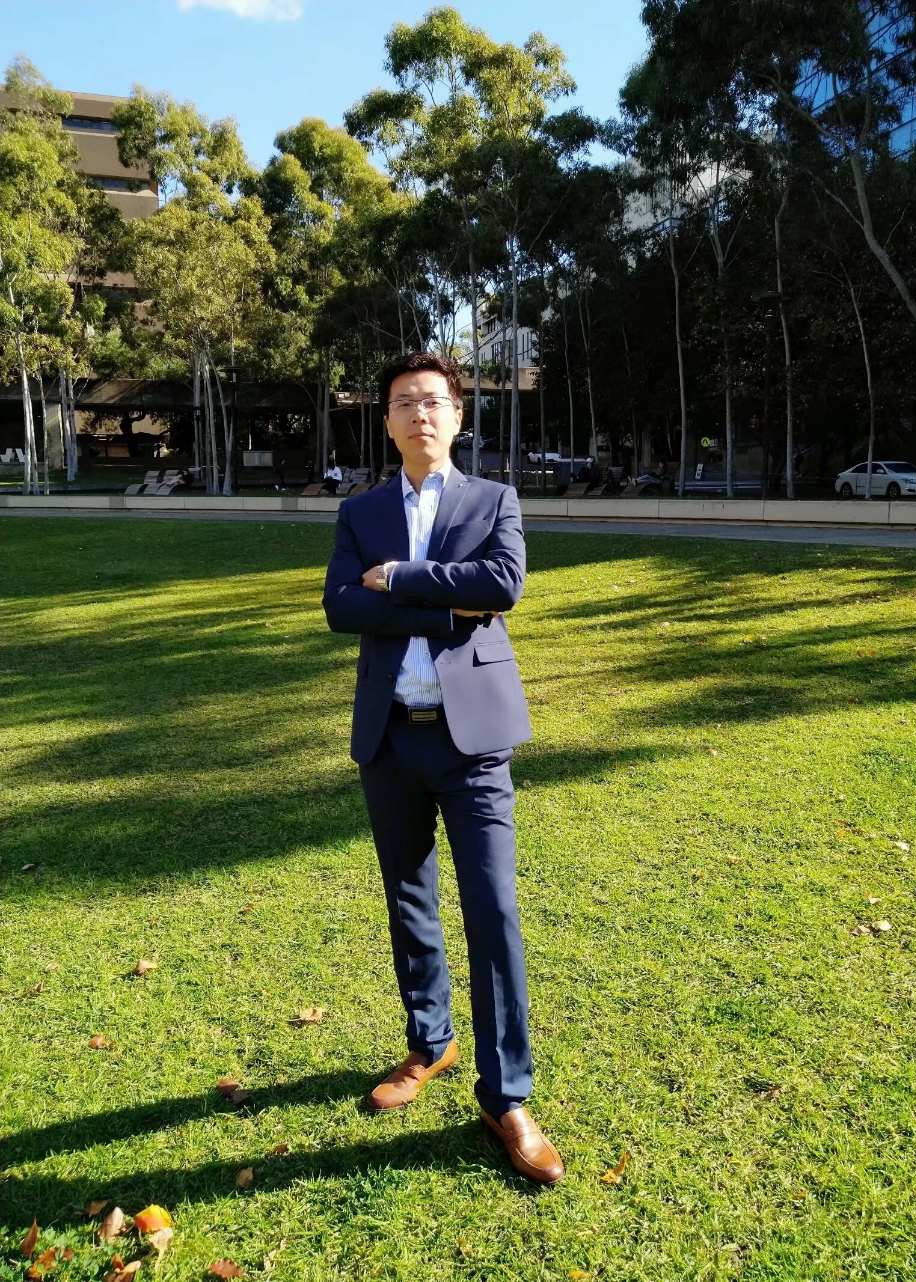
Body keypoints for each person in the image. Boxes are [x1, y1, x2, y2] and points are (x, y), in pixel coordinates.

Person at [322, 351, 563, 1186]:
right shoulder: (360, 511)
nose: (419, 413)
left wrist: (402, 580)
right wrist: (443, 602)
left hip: (474, 742)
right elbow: (339, 605)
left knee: (492, 910)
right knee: (408, 899)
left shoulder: (494, 500)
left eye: (433, 401)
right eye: (403, 402)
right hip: (390, 738)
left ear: (457, 417)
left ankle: (507, 1097)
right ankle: (431, 1042)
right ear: (386, 422)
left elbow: (503, 585)